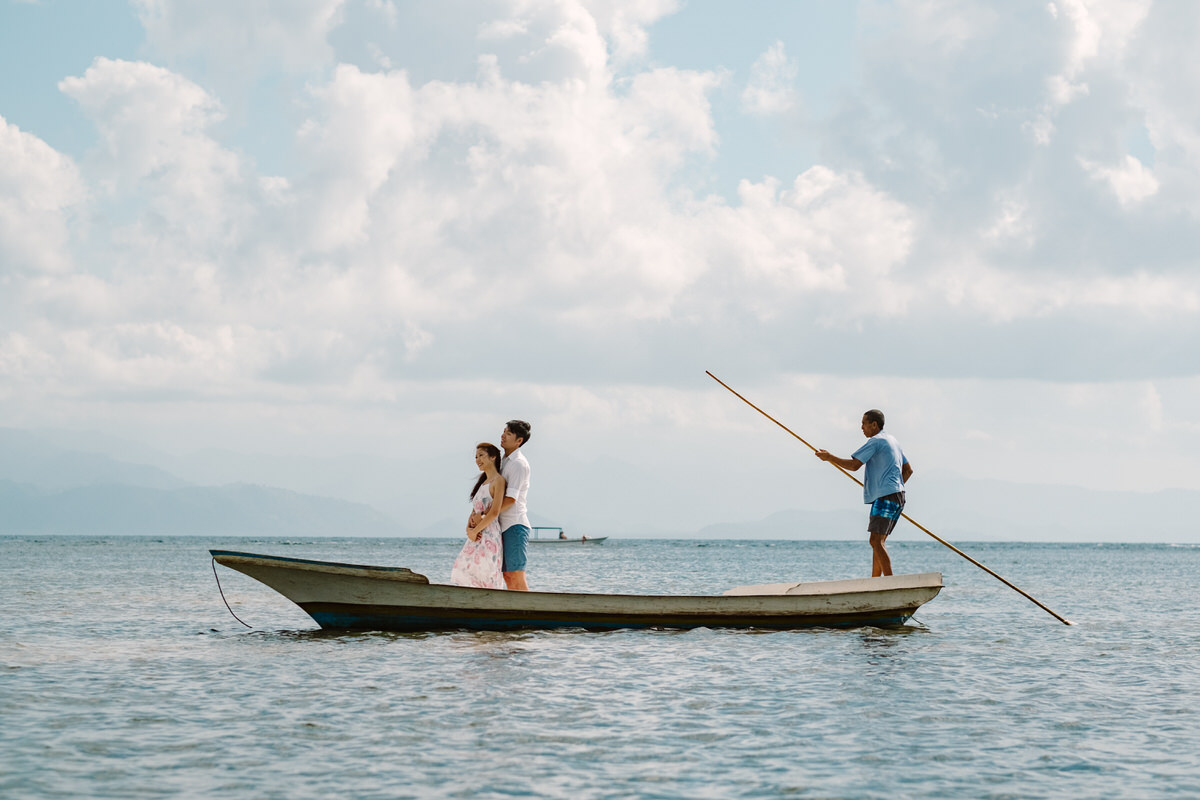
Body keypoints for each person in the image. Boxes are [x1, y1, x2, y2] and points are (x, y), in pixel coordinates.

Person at [814, 409, 913, 577]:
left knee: (875, 541)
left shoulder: (876, 441)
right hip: (898, 496)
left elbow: (854, 465)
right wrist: (894, 486)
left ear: (874, 424)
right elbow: (908, 471)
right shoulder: (893, 441)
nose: (861, 428)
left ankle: (890, 582)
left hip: (886, 496)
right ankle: (876, 582)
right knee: (878, 542)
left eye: (863, 424)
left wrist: (829, 457)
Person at [471, 420, 532, 590]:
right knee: (506, 575)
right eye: (503, 431)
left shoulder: (518, 464)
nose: (502, 435)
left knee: (515, 575)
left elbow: (511, 499)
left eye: (508, 434)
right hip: (499, 526)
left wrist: (484, 517)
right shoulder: (503, 461)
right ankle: (517, 612)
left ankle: (529, 612)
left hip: (514, 524)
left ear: (519, 441)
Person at [449, 443, 507, 589]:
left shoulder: (498, 481)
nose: (477, 460)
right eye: (476, 457)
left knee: (486, 571)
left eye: (481, 455)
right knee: (469, 569)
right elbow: (474, 510)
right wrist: (468, 530)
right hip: (476, 535)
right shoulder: (482, 483)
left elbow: (494, 511)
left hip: (488, 534)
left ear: (493, 457)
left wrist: (475, 531)